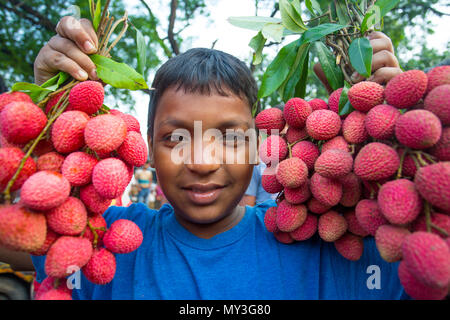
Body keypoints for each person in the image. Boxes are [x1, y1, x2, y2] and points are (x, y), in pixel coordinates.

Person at [3, 16, 408, 300]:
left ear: (256, 144)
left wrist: (396, 133)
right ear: (146, 146)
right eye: (177, 137)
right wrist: (50, 129)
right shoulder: (94, 239)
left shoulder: (329, 243)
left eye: (230, 137)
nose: (201, 161)